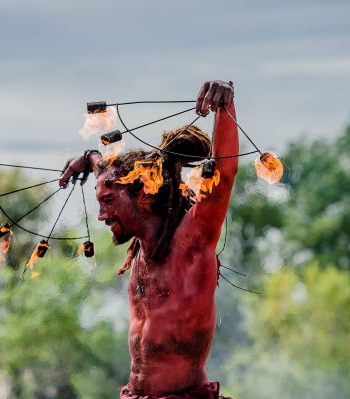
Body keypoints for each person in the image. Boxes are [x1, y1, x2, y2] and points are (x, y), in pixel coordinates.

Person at [58, 81, 237, 399]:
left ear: (142, 195)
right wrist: (88, 159)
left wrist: (225, 106)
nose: (101, 215)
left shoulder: (190, 243)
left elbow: (223, 175)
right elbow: (106, 170)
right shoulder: (141, 246)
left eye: (108, 201)